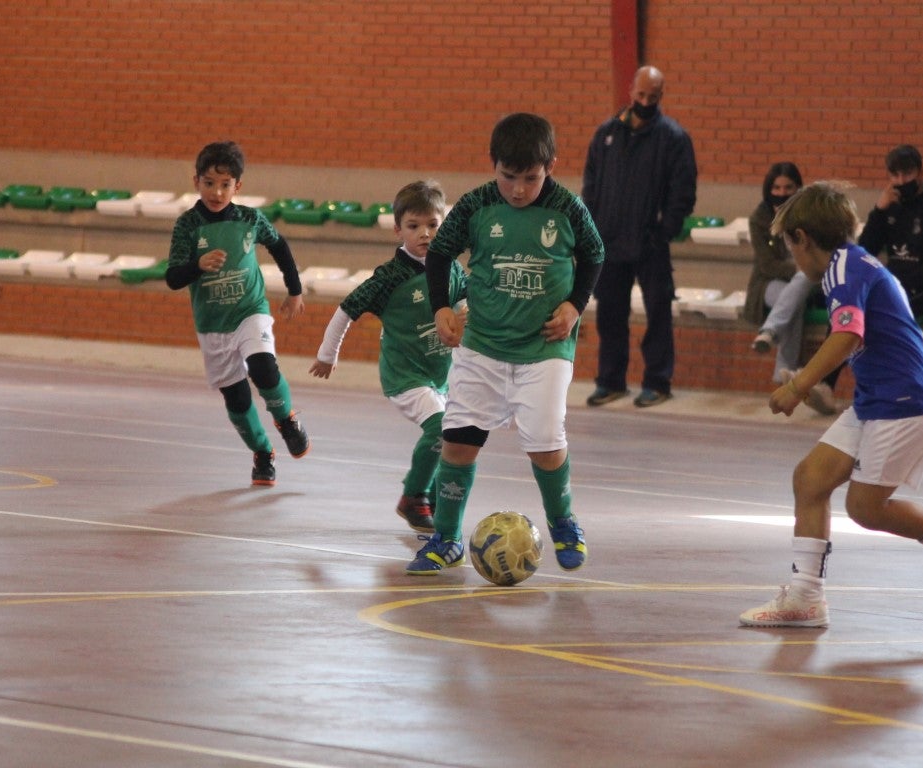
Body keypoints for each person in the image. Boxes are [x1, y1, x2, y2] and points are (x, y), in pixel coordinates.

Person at [738, 182, 923, 628]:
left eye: (789, 244)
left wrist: (799, 385)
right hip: (878, 400)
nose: (792, 256)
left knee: (865, 507)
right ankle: (805, 598)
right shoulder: (859, 264)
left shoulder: (843, 272)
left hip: (902, 405)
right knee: (810, 480)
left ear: (802, 238)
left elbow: (848, 335)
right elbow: (902, 318)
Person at [404, 112, 605, 576]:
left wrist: (575, 304)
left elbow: (594, 254)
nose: (517, 189)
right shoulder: (476, 206)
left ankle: (563, 522)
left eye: (530, 178)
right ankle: (447, 538)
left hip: (545, 349)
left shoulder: (569, 208)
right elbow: (438, 254)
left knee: (545, 445)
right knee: (457, 442)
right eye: (508, 176)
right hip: (482, 346)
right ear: (492, 165)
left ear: (551, 166)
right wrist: (442, 307)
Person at [309, 180, 467, 532]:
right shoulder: (390, 277)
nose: (425, 234)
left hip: (441, 375)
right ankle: (414, 497)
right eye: (414, 226)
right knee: (440, 427)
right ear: (398, 230)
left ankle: (439, 497)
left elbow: (466, 305)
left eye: (433, 225)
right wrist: (327, 355)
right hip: (405, 376)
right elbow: (346, 310)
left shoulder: (453, 269)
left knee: (457, 433)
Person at [166, 140, 310, 486]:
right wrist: (197, 265)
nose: (217, 192)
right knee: (237, 397)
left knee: (262, 367)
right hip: (213, 324)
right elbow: (173, 277)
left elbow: (279, 245)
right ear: (196, 181)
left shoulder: (250, 219)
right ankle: (263, 453)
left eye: (225, 184)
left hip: (250, 310)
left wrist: (295, 289)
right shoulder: (187, 226)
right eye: (209, 183)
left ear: (238, 186)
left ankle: (286, 419)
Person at [581, 65, 698, 408]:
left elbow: (683, 193)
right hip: (610, 240)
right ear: (631, 91)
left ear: (662, 96)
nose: (645, 101)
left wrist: (664, 231)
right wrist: (593, 228)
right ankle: (611, 380)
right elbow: (591, 184)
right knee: (610, 315)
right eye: (641, 94)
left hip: (650, 243)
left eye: (653, 96)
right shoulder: (606, 134)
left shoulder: (674, 138)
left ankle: (658, 382)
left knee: (658, 312)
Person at [744, 162, 838, 415]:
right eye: (776, 187)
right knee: (791, 298)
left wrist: (802, 269)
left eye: (788, 187)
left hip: (809, 282)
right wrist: (797, 268)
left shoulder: (810, 217)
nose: (782, 192)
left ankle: (771, 334)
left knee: (800, 284)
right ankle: (784, 370)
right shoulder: (759, 218)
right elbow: (767, 264)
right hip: (769, 283)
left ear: (799, 188)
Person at [858, 144, 923, 318]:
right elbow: (865, 251)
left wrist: (893, 284)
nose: (901, 182)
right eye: (895, 175)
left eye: (907, 174)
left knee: (880, 312)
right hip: (898, 290)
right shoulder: (889, 209)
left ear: (921, 173)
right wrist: (879, 211)